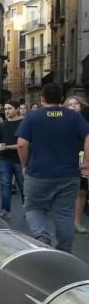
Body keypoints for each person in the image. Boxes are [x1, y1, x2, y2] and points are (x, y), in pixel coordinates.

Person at [17, 84, 89, 252]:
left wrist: (24, 165)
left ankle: (42, 235)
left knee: (33, 207)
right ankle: (64, 250)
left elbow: (21, 144)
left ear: (42, 99)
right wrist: (86, 160)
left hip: (38, 173)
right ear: (62, 99)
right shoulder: (74, 117)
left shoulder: (33, 117)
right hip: (69, 174)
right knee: (64, 213)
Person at [0, 101, 25, 220]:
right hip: (5, 159)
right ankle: (5, 210)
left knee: (23, 186)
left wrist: (7, 146)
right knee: (5, 185)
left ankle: (28, 210)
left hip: (20, 159)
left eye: (10, 108)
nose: (7, 111)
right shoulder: (2, 125)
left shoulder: (24, 123)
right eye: (5, 109)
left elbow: (25, 143)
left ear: (17, 109)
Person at [65, 97, 89, 233]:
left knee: (81, 191)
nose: (73, 106)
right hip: (68, 158)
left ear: (81, 105)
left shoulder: (86, 121)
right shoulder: (63, 122)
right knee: (67, 191)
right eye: (70, 105)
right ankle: (66, 219)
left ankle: (77, 222)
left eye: (76, 104)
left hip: (84, 158)